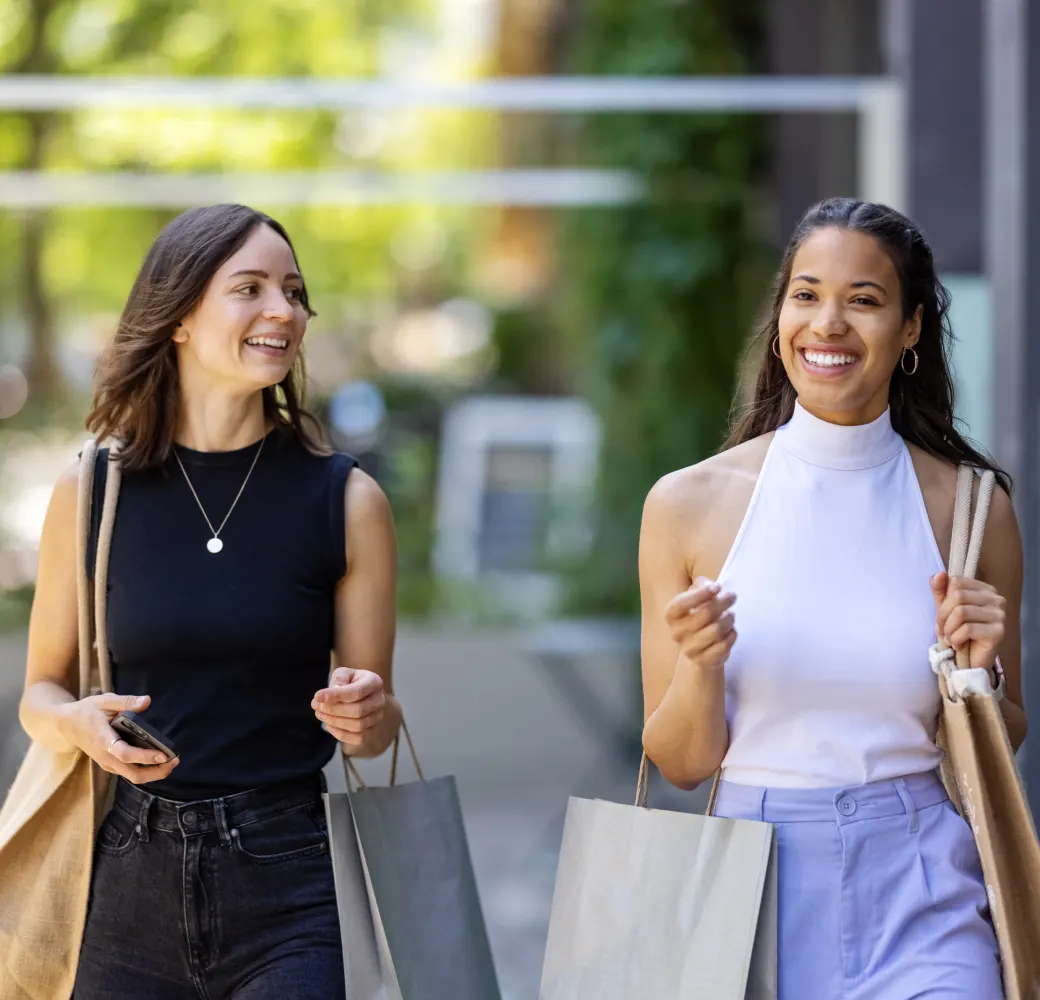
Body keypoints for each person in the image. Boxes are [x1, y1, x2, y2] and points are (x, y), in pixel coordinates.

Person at [640, 197, 1025, 999]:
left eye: (864, 300)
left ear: (912, 328)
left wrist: (978, 680)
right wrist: (701, 666)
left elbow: (1004, 739)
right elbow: (679, 764)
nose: (828, 324)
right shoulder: (687, 504)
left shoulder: (973, 511)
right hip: (754, 886)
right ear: (781, 315)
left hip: (924, 886)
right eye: (807, 295)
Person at [18, 204, 401, 999]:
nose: (282, 311)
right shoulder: (90, 492)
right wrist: (74, 723)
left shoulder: (348, 501)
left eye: (294, 292)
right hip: (124, 881)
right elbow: (39, 692)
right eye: (250, 288)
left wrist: (369, 714)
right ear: (180, 317)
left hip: (289, 881)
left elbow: (373, 725)